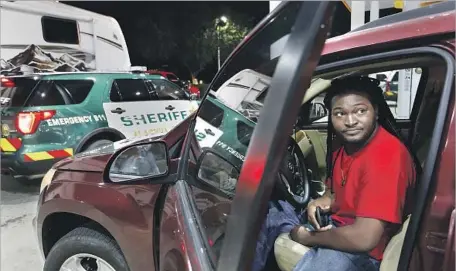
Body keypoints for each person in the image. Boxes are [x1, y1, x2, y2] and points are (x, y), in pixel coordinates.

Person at [252, 76, 416, 271]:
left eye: (360, 111)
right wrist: (318, 203)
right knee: (269, 214)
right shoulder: (346, 146)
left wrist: (307, 237)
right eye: (340, 113)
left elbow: (365, 238)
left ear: (376, 111)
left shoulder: (386, 156)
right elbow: (333, 193)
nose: (350, 121)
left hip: (362, 254)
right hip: (337, 227)